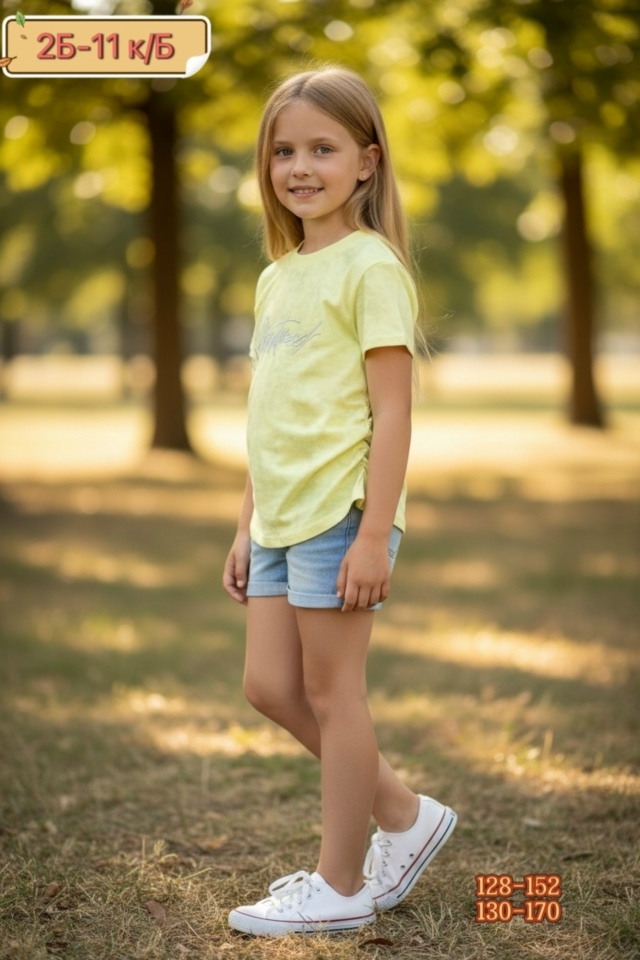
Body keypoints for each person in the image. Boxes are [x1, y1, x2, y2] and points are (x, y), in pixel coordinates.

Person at [222, 65, 456, 937]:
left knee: (332, 694)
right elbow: (270, 412)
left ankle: (342, 882)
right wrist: (244, 525)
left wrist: (372, 535)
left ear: (367, 161)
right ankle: (404, 814)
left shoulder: (371, 267)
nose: (299, 168)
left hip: (339, 515)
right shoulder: (277, 276)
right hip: (278, 518)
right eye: (284, 151)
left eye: (322, 149)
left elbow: (393, 411)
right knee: (268, 685)